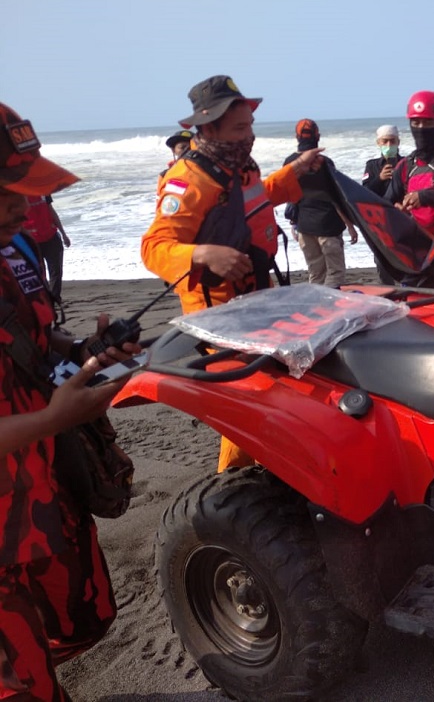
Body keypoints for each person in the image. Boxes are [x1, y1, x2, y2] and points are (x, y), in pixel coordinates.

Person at [0, 100, 142, 701]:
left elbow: (32, 336)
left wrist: (85, 347)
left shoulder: (14, 248)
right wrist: (52, 417)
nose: (24, 206)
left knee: (82, 616)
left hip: (41, 482)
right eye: (9, 192)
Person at [141, 75, 324, 470]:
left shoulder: (241, 166)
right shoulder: (187, 181)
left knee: (275, 392)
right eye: (240, 128)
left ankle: (269, 470)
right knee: (247, 403)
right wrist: (203, 254)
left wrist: (297, 170)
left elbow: (257, 200)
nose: (250, 136)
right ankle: (232, 484)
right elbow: (154, 247)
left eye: (251, 126)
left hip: (260, 298)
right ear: (208, 128)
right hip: (217, 315)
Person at [283, 119, 358, 288]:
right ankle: (330, 307)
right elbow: (336, 198)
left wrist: (293, 223)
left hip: (304, 226)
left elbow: (289, 195)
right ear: (318, 137)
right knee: (335, 273)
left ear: (297, 137)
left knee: (315, 273)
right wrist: (351, 225)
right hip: (328, 227)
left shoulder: (289, 163)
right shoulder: (324, 163)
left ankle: (317, 309)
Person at [384, 91, 434, 238]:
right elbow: (385, 205)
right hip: (417, 247)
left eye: (428, 122)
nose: (421, 128)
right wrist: (396, 211)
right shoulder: (405, 166)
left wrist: (425, 197)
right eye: (416, 123)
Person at [362, 124, 401, 284]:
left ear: (398, 142)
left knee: (403, 259)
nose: (389, 145)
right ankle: (388, 291)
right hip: (379, 221)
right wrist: (380, 179)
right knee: (381, 260)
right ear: (378, 143)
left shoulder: (408, 163)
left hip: (401, 219)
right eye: (385, 141)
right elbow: (364, 192)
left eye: (392, 141)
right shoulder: (371, 166)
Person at [23, 194, 71, 303]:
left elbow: (51, 211)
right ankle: (46, 300)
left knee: (56, 272)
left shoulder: (43, 190)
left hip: (51, 237)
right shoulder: (20, 193)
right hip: (33, 241)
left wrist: (63, 234)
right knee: (40, 273)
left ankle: (54, 299)